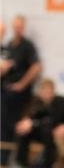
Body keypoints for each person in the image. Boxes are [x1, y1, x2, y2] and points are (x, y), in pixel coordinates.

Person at [1, 15, 42, 166]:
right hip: (5, 89)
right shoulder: (9, 45)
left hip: (17, 94)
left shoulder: (27, 46)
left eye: (20, 26)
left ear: (23, 27)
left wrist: (21, 84)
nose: (17, 29)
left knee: (9, 123)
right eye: (15, 26)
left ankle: (6, 159)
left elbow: (36, 66)